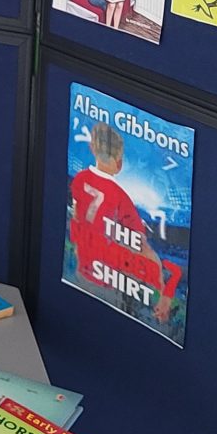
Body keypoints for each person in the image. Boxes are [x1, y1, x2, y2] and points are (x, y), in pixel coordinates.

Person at [68, 119, 173, 327]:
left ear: (92, 148)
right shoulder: (121, 199)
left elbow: (77, 220)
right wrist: (163, 291)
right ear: (119, 162)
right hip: (107, 287)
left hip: (82, 274)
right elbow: (142, 248)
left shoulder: (79, 179)